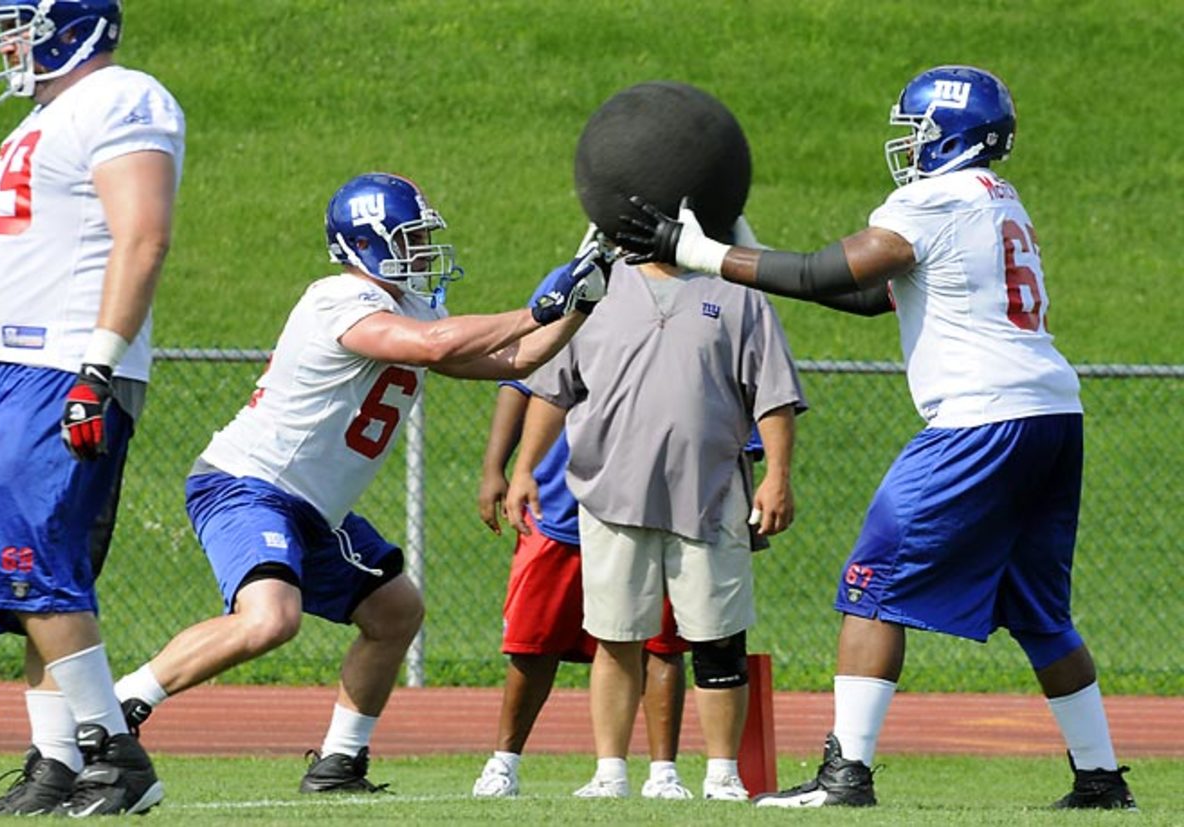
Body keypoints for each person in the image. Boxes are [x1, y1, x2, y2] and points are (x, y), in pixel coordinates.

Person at [618, 64, 1136, 811]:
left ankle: (845, 774)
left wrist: (695, 251)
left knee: (870, 583)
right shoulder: (992, 199)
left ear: (950, 135)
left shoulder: (933, 200)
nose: (909, 144)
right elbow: (864, 294)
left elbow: (829, 267)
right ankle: (1100, 777)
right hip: (1050, 412)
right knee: (1040, 609)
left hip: (979, 418)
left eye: (919, 129)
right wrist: (743, 242)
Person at [111, 172, 609, 795]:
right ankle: (117, 708)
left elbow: (517, 359)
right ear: (365, 245)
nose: (424, 251)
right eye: (411, 238)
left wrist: (579, 306)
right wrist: (535, 308)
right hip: (249, 482)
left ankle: (339, 762)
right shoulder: (336, 299)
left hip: (313, 506)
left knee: (396, 611)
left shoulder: (417, 306)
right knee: (270, 619)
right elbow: (429, 347)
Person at [504, 247, 807, 801]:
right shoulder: (594, 291)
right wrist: (523, 467)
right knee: (616, 638)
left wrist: (777, 477)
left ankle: (722, 776)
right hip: (612, 497)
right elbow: (552, 389)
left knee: (718, 640)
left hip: (711, 494)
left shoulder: (737, 292)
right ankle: (610, 773)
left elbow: (774, 396)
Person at [0, 0, 184, 816]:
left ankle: (115, 754)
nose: (12, 45)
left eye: (23, 26)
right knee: (26, 568)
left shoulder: (121, 95)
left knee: (34, 556)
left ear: (72, 25)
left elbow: (143, 235)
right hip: (9, 363)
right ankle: (56, 762)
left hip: (60, 358)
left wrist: (96, 366)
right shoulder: (45, 115)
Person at [471, 266, 691, 800]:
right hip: (561, 498)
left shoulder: (696, 286)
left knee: (661, 642)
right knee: (533, 641)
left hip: (652, 498)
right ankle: (504, 762)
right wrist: (496, 467)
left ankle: (664, 772)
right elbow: (523, 376)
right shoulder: (579, 279)